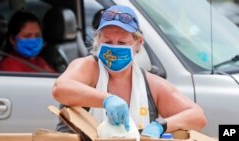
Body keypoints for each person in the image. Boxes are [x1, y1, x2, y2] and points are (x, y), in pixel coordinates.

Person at [52, 5, 207, 138]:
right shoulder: (88, 67)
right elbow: (60, 89)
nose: (114, 47)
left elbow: (197, 116)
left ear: (138, 43)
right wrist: (107, 99)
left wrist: (161, 125)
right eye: (108, 42)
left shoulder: (151, 84)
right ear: (98, 41)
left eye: (121, 42)